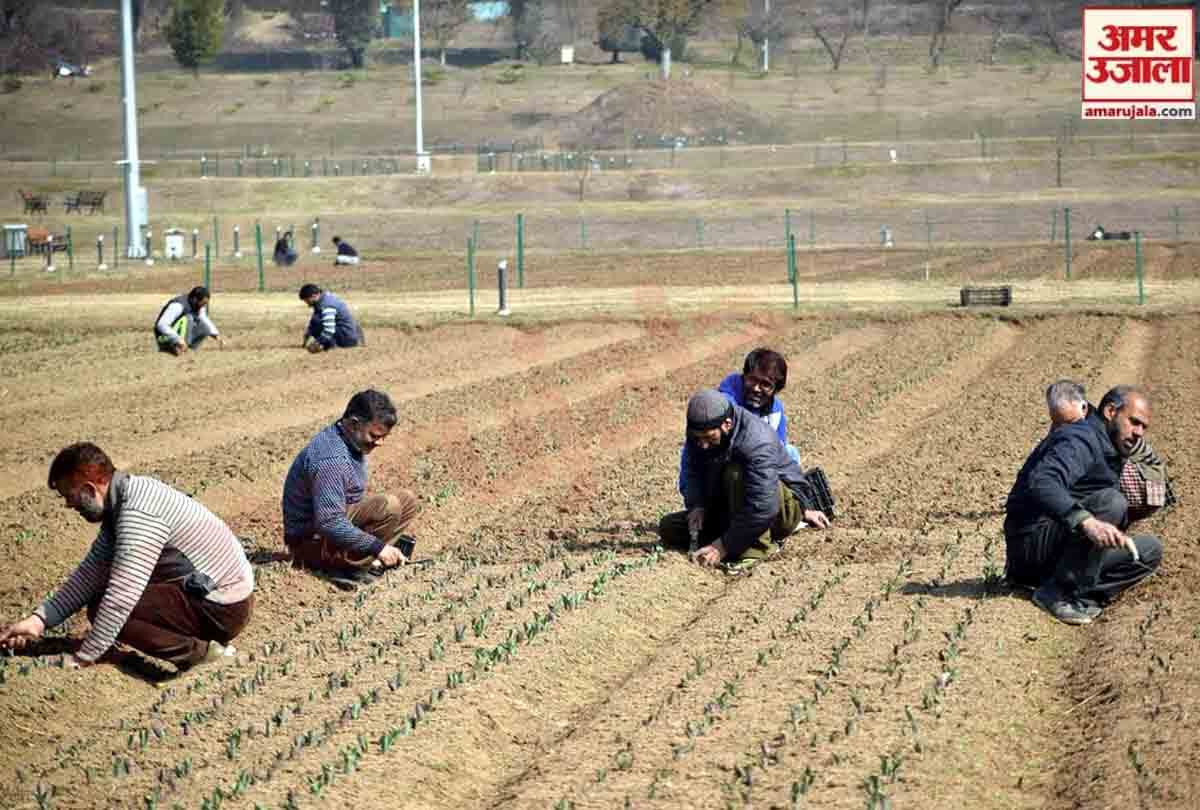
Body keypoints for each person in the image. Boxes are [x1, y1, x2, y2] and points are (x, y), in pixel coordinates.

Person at [0, 443, 254, 671]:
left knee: (105, 606)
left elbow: (122, 597)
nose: (69, 504)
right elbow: (90, 574)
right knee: (103, 593)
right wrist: (38, 621)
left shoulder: (137, 512)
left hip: (223, 606)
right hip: (212, 595)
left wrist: (84, 657)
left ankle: (204, 655)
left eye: (70, 495)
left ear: (90, 487)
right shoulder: (123, 502)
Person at [1005, 385, 1164, 625]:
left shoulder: (1111, 445)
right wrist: (1087, 522)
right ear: (1111, 411)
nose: (1139, 432)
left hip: (1058, 549)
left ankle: (1080, 593)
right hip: (1030, 546)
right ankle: (1057, 594)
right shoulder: (1081, 438)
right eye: (1134, 422)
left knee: (1149, 551)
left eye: (1144, 427)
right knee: (1111, 502)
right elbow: (1042, 482)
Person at [659, 389, 831, 571]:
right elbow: (694, 469)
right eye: (698, 438)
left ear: (727, 424)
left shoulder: (756, 440)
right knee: (669, 528)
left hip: (777, 510)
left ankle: (755, 549)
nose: (703, 444)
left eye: (709, 438)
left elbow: (764, 505)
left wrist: (722, 546)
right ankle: (735, 537)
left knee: (735, 472)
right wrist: (697, 505)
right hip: (733, 506)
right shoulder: (700, 432)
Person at [282, 390, 420, 589]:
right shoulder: (331, 459)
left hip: (329, 531)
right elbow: (329, 522)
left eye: (384, 437)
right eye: (374, 435)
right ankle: (347, 567)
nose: (380, 443)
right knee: (387, 507)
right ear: (354, 423)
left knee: (407, 501)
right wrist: (377, 547)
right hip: (309, 542)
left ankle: (361, 558)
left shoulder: (349, 440)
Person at [679, 348, 801, 500]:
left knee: (790, 452)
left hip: (757, 470)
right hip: (726, 471)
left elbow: (779, 452)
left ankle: (787, 505)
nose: (756, 388)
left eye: (765, 384)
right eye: (752, 380)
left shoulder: (776, 410)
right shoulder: (726, 403)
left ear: (776, 389)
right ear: (744, 376)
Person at [155, 286, 223, 355]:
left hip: (178, 337)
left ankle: (187, 349)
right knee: (188, 318)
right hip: (163, 338)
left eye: (205, 304)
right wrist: (178, 340)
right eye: (202, 303)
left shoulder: (197, 305)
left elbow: (204, 319)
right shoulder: (178, 305)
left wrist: (216, 336)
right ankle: (177, 348)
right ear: (195, 299)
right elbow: (161, 325)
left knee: (205, 328)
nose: (203, 306)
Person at [300, 283, 364, 352]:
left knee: (317, 323)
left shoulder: (327, 306)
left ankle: (332, 345)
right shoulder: (326, 297)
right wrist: (307, 336)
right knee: (316, 320)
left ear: (314, 296)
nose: (306, 303)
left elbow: (329, 330)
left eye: (307, 300)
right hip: (352, 335)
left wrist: (318, 342)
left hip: (347, 338)